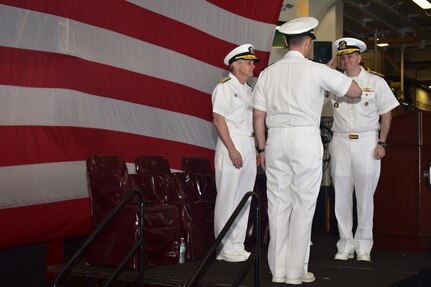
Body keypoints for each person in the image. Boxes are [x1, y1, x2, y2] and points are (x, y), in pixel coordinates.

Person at [253, 17, 362, 285]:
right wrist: (328, 78)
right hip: (304, 140)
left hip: (275, 141)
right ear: (309, 42)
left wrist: (261, 148)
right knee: (303, 206)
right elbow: (355, 90)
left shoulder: (268, 73)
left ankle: (277, 271)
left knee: (278, 205)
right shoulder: (317, 71)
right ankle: (295, 272)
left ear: (288, 43)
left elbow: (257, 116)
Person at [328, 37, 400, 262]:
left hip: (367, 140)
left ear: (360, 57)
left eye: (351, 55)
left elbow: (386, 112)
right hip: (340, 141)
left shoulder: (375, 82)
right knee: (341, 195)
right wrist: (324, 71)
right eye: (343, 57)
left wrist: (382, 142)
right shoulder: (332, 81)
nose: (346, 60)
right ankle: (345, 244)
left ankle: (364, 246)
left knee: (365, 197)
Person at [212, 44, 260, 262]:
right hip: (232, 144)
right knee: (227, 197)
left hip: (248, 144)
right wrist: (232, 149)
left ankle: (237, 244)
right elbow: (218, 119)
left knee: (244, 198)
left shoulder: (248, 89)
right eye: (249, 63)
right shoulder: (224, 87)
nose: (252, 67)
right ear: (235, 65)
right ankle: (223, 246)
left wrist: (258, 149)